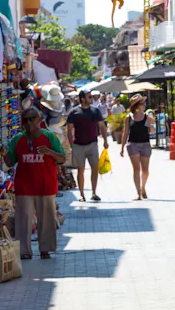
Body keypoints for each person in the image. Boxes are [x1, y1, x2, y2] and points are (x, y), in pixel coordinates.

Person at [6, 107, 65, 259]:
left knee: (46, 219)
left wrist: (49, 152)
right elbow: (10, 162)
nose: (29, 123)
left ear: (39, 119)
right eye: (25, 120)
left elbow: (62, 159)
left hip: (46, 185)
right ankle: (24, 251)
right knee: (23, 220)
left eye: (32, 118)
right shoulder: (17, 139)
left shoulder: (49, 137)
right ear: (22, 123)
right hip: (25, 186)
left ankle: (45, 249)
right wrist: (4, 154)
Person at [66, 90, 109, 202]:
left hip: (92, 144)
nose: (92, 98)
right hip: (78, 145)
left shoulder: (95, 111)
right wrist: (72, 145)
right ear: (82, 98)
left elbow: (102, 126)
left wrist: (105, 140)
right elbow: (69, 129)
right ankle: (81, 194)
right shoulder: (74, 112)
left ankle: (94, 192)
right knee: (81, 170)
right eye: (89, 97)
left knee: (95, 168)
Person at [119, 94, 152, 200]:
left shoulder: (147, 116)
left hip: (145, 144)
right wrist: (122, 147)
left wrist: (151, 124)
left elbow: (152, 131)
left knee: (145, 170)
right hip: (132, 144)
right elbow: (125, 133)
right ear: (137, 106)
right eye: (142, 103)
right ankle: (138, 193)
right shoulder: (129, 117)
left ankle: (143, 187)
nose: (145, 105)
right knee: (136, 169)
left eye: (144, 103)